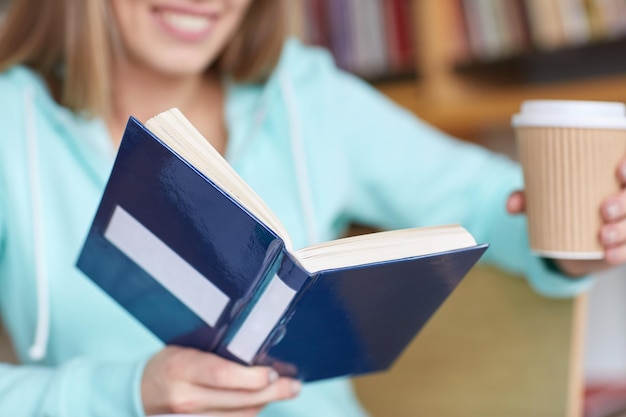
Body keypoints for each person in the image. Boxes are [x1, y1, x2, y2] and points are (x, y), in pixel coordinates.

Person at [0, 0, 624, 416]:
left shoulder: (307, 98)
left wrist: (587, 233)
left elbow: (486, 203)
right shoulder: (11, 127)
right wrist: (127, 392)